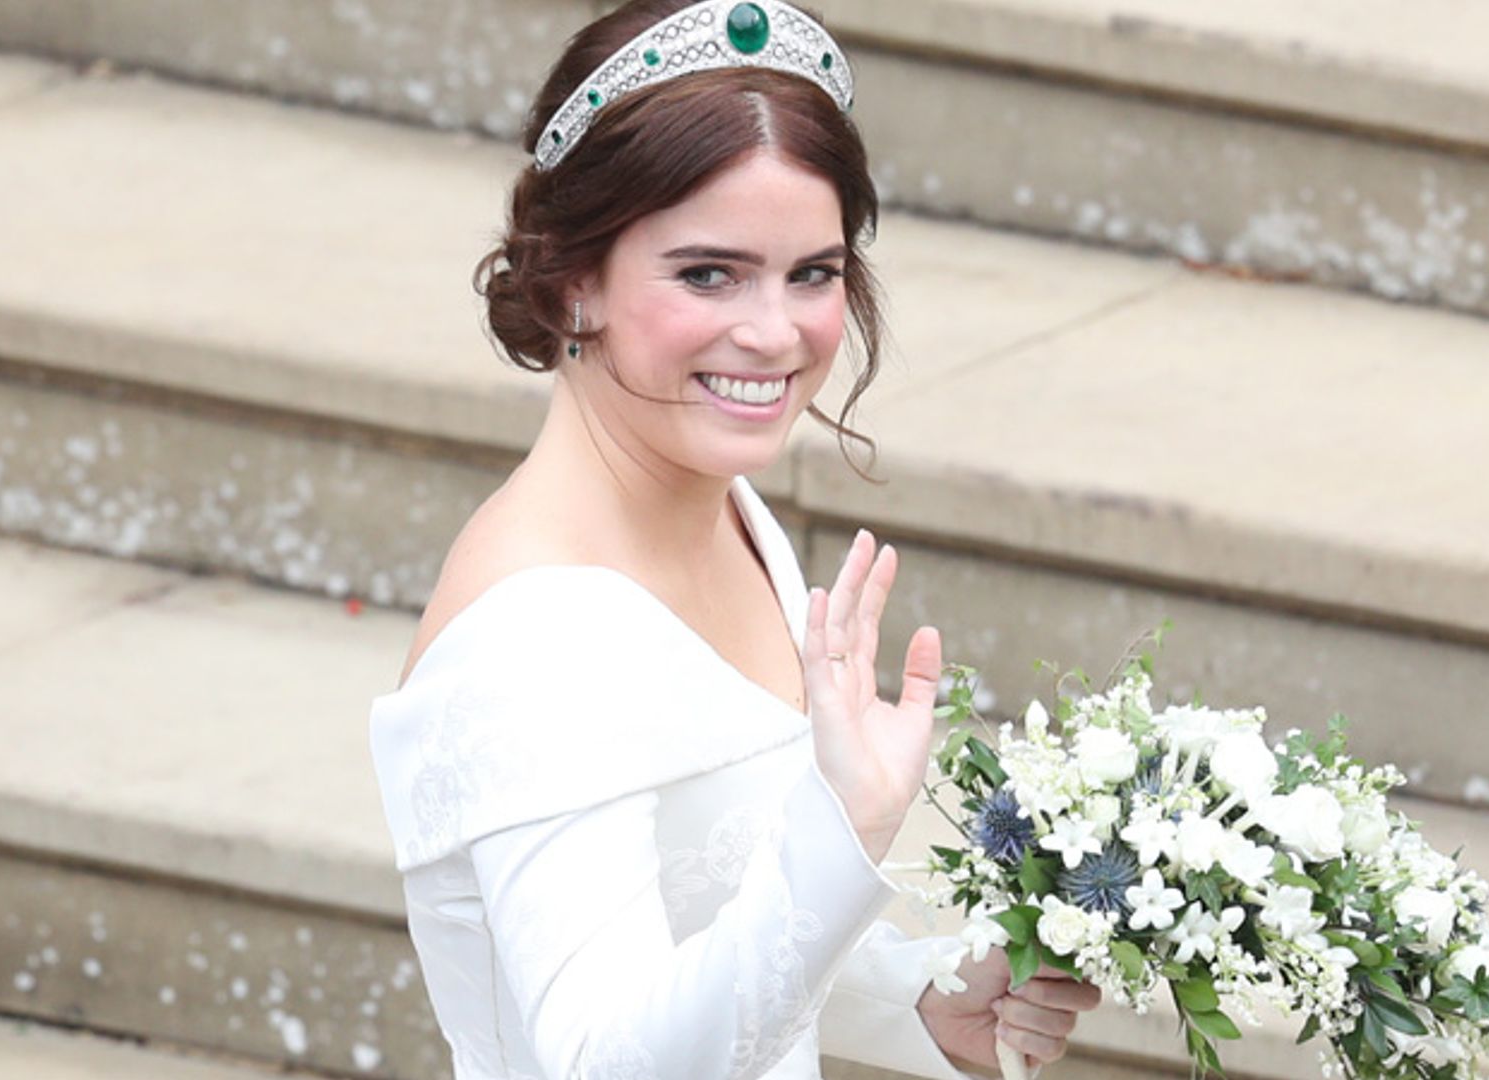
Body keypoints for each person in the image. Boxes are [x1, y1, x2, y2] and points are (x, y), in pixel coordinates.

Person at [366, 2, 1102, 1077]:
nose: (774, 333)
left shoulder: (727, 513)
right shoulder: (538, 641)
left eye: (811, 272)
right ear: (576, 277)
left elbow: (715, 910)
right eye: (707, 274)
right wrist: (844, 829)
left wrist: (924, 1005)